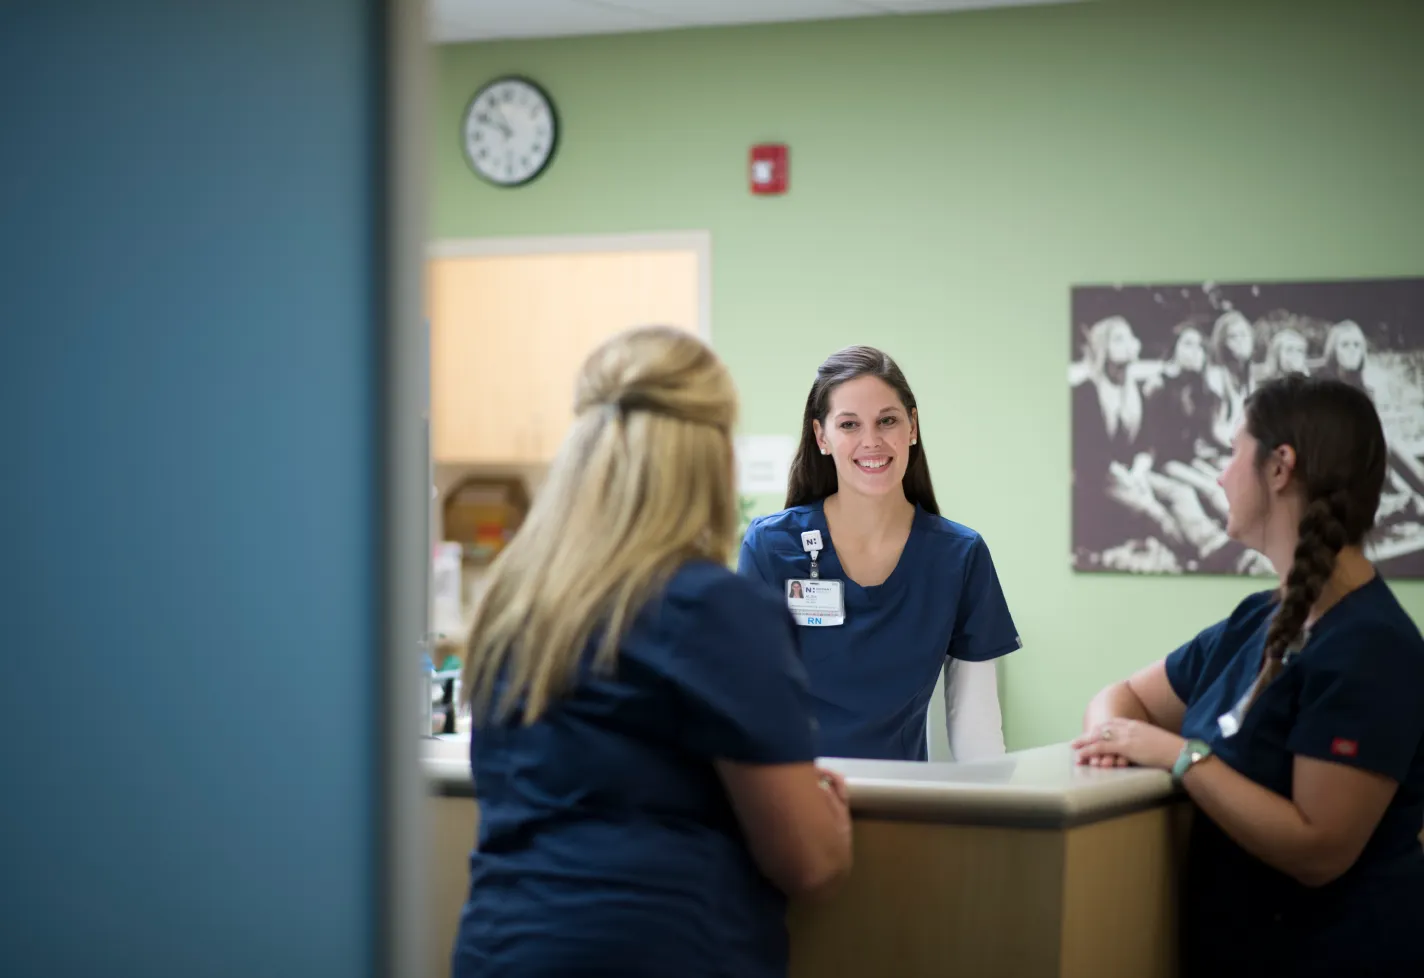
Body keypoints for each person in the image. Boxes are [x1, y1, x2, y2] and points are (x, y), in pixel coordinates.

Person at [452, 326, 853, 978]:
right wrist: (828, 821)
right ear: (713, 457)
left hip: (501, 949)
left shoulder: (516, 604)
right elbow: (809, 862)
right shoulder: (715, 608)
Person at [1072, 374, 1424, 978]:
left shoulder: (1373, 648)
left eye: (1234, 451)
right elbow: (1123, 696)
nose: (1220, 474)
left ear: (1279, 466)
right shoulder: (1256, 619)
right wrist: (1111, 744)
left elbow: (1318, 850)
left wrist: (1181, 756)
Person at [738, 345, 1021, 763]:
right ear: (822, 436)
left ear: (912, 426)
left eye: (887, 420)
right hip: (794, 803)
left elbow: (975, 726)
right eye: (849, 424)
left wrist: (994, 820)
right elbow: (747, 704)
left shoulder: (959, 558)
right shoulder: (771, 547)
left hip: (900, 808)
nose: (871, 441)